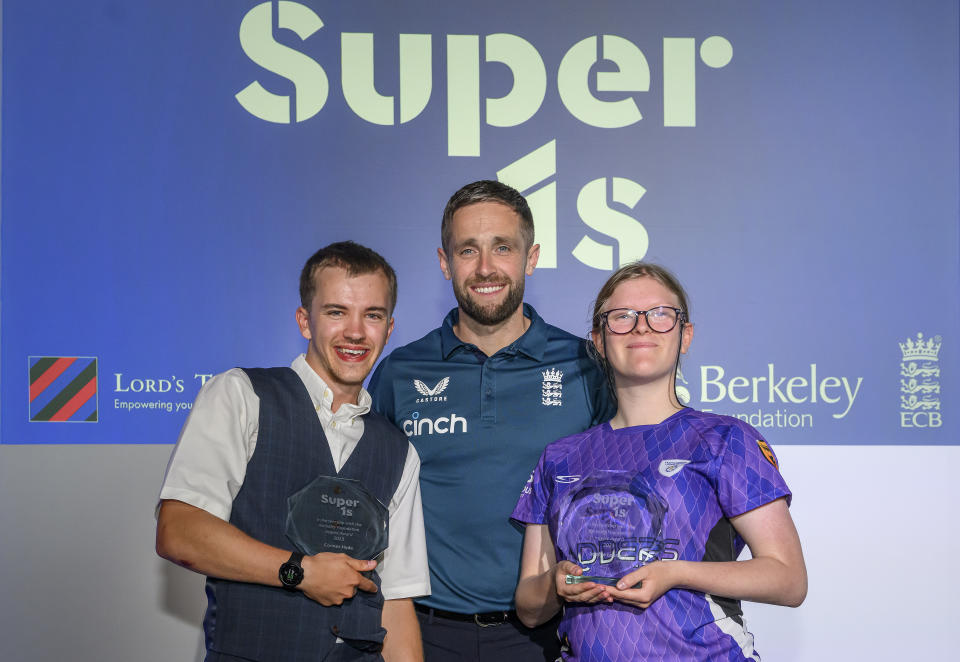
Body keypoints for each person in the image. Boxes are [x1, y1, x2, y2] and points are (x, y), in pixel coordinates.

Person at [368, 180, 615, 662]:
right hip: (423, 631)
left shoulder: (586, 366)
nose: (485, 268)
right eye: (467, 250)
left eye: (503, 247)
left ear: (531, 256)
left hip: (551, 632)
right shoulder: (401, 372)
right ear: (445, 262)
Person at [512, 262, 807, 661]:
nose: (641, 327)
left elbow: (788, 579)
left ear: (685, 336)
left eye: (660, 315)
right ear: (598, 340)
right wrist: (554, 583)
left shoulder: (724, 439)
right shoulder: (560, 456)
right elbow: (530, 609)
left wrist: (676, 573)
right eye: (622, 317)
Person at [156, 241, 430, 662]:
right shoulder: (241, 395)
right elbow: (180, 531)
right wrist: (300, 572)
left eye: (372, 315)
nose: (355, 331)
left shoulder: (398, 450)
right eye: (336, 312)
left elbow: (396, 601)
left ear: (389, 329)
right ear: (305, 321)